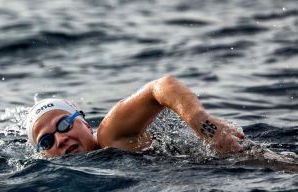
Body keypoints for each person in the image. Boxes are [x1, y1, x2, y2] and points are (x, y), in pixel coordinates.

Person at [26, 75, 246, 157]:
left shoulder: (109, 135)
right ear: (43, 155)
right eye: (46, 141)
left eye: (64, 125)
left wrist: (201, 122)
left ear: (83, 121)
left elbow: (161, 86)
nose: (60, 139)